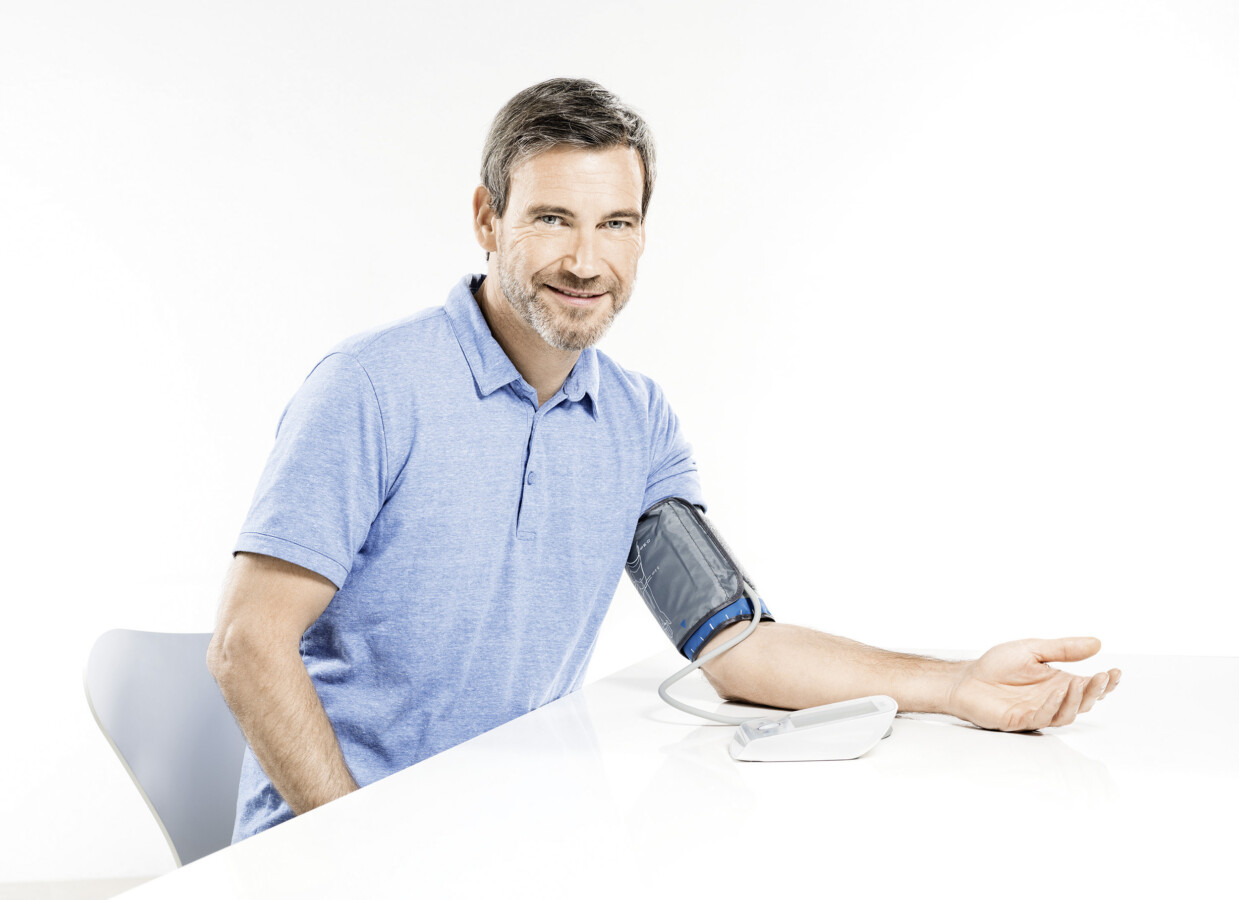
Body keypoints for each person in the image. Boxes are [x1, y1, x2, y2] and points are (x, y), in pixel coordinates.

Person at [207, 77, 1121, 841]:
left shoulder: (635, 420)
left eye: (615, 223)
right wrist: (359, 856)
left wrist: (953, 684)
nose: (584, 261)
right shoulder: (370, 388)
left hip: (507, 842)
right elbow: (248, 645)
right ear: (487, 218)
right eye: (552, 218)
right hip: (333, 847)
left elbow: (735, 646)